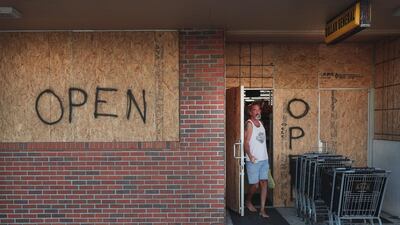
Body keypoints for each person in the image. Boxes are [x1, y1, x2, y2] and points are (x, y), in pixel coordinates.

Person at [244, 101, 269, 218]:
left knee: (264, 183)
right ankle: (248, 200)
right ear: (250, 112)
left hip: (264, 159)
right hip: (253, 160)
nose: (257, 112)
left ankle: (262, 210)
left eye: (259, 110)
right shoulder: (249, 124)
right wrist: (250, 155)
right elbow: (246, 142)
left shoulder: (261, 123)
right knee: (255, 185)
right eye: (254, 110)